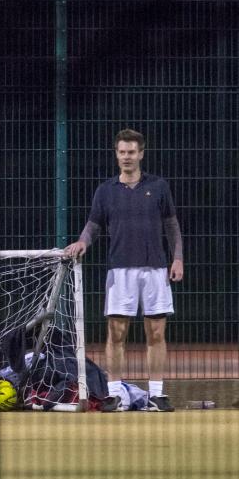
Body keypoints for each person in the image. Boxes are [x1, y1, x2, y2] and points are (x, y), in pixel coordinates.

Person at [64, 128, 183, 412]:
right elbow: (93, 225)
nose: (127, 157)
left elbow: (172, 226)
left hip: (155, 269)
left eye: (132, 152)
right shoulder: (105, 190)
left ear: (141, 153)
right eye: (122, 152)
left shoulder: (159, 186)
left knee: (156, 333)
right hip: (120, 271)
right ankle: (114, 394)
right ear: (116, 154)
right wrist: (82, 240)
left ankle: (156, 394)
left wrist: (177, 258)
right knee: (116, 333)